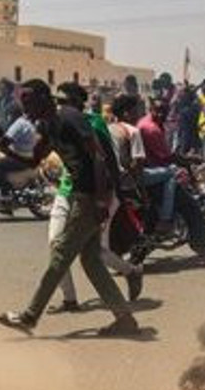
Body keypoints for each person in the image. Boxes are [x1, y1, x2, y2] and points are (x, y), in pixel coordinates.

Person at [0, 80, 139, 337]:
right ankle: (124, 318)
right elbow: (35, 159)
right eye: (23, 102)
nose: (25, 107)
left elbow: (98, 156)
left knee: (61, 253)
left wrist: (101, 199)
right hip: (78, 195)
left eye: (29, 101)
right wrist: (7, 150)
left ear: (43, 97)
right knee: (91, 260)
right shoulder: (47, 125)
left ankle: (30, 316)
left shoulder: (69, 117)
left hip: (89, 196)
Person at [50, 83, 142, 312]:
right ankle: (69, 299)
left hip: (94, 194)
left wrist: (111, 196)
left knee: (95, 252)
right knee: (55, 243)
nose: (59, 107)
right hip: (65, 191)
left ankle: (131, 271)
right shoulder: (57, 124)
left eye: (63, 102)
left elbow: (107, 159)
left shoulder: (95, 123)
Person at [136, 98, 177, 234]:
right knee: (173, 173)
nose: (160, 114)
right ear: (151, 110)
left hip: (146, 168)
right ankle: (165, 219)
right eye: (157, 111)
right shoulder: (151, 128)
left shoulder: (146, 122)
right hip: (144, 171)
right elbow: (166, 156)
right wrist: (187, 160)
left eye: (164, 112)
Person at [0, 104, 38, 199]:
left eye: (8, 115)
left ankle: (5, 192)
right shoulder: (26, 122)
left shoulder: (18, 124)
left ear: (12, 115)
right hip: (30, 155)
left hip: (23, 157)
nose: (8, 118)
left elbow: (6, 141)